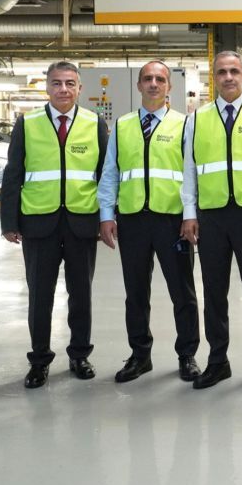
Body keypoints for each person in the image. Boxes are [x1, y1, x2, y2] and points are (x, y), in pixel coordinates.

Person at [0, 61, 108, 388]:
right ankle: (39, 359)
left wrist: (106, 218)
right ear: (47, 87)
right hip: (38, 223)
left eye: (70, 83)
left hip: (81, 222)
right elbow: (13, 173)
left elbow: (105, 175)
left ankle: (79, 355)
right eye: (57, 83)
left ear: (80, 88)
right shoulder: (28, 123)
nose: (63, 89)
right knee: (40, 295)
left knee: (81, 294)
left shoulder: (94, 123)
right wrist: (9, 221)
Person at [181, 51, 242, 389]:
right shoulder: (197, 119)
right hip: (211, 217)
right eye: (222, 72)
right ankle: (217, 361)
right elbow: (189, 169)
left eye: (234, 71)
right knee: (214, 293)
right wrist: (190, 213)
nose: (228, 77)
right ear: (214, 77)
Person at [96, 60, 201, 383]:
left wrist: (190, 215)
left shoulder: (184, 125)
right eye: (148, 79)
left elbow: (192, 173)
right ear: (139, 85)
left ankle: (187, 355)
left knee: (182, 292)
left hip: (172, 221)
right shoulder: (123, 125)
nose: (154, 84)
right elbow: (111, 172)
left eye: (160, 79)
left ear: (169, 86)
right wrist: (106, 215)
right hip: (132, 221)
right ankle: (140, 355)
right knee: (136, 292)